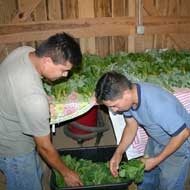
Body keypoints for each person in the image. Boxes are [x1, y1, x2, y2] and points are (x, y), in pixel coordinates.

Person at [0, 32, 83, 190]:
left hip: (5, 119)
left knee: (34, 174)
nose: (66, 75)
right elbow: (44, 147)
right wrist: (66, 172)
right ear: (47, 61)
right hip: (12, 147)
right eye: (63, 70)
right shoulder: (34, 99)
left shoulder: (24, 52)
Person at [95, 71, 190, 190]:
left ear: (126, 94)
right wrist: (118, 152)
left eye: (114, 105)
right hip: (156, 139)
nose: (113, 111)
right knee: (145, 180)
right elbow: (131, 125)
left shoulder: (157, 105)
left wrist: (156, 160)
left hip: (179, 145)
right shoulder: (129, 100)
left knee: (169, 185)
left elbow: (184, 133)